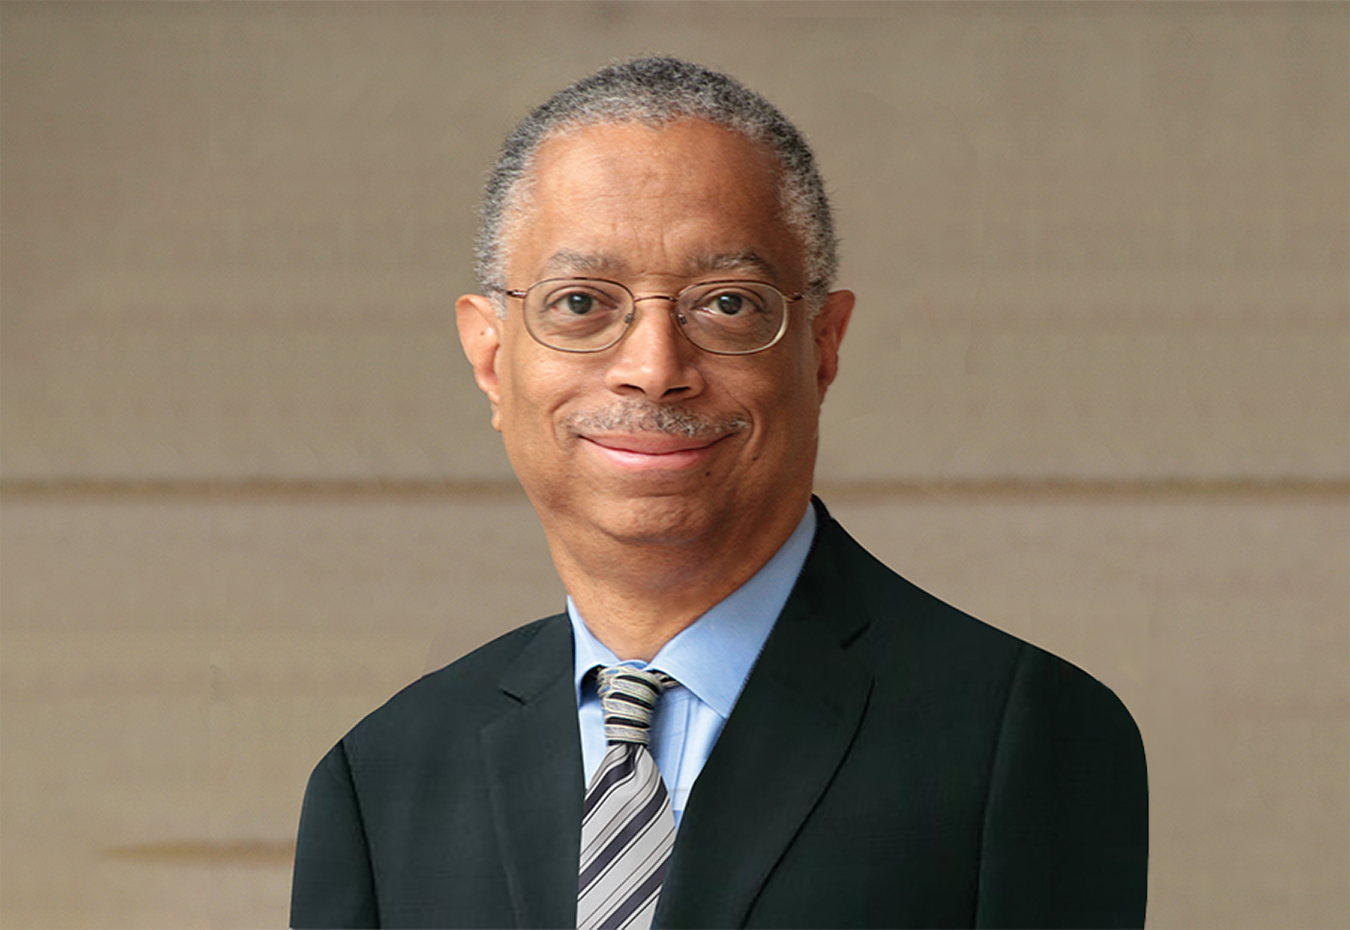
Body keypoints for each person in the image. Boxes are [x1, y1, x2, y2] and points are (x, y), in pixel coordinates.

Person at [290, 57, 1147, 929]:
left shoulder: (1021, 735)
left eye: (727, 304)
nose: (655, 370)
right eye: (581, 301)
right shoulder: (380, 779)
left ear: (822, 345)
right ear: (491, 356)